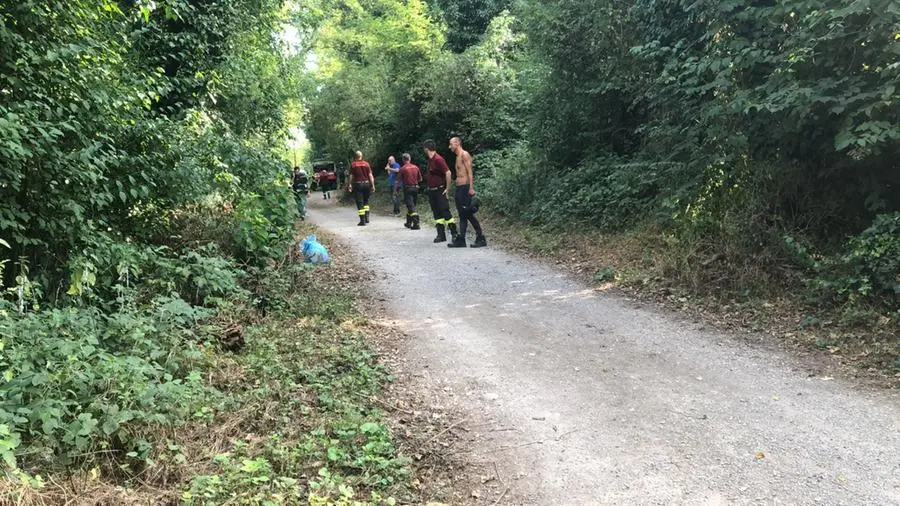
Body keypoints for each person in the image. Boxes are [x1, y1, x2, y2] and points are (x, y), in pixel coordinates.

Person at [447, 137, 486, 248]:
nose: (450, 147)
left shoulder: (465, 154)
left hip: (465, 187)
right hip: (459, 188)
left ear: (457, 143)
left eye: (451, 144)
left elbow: (470, 173)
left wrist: (471, 188)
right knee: (462, 214)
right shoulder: (457, 157)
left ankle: (480, 237)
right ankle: (461, 240)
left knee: (467, 213)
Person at [423, 139, 458, 243]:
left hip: (439, 190)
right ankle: (441, 234)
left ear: (426, 149)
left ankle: (454, 234)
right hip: (432, 191)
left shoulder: (438, 159)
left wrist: (447, 188)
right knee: (437, 213)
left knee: (445, 211)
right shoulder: (430, 160)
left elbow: (448, 173)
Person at [348, 151, 376, 226]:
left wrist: (350, 184)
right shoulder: (366, 164)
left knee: (360, 202)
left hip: (358, 185)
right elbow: (370, 175)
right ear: (362, 156)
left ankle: (362, 221)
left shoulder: (353, 165)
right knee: (366, 201)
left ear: (355, 157)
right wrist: (373, 185)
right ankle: (367, 218)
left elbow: (351, 176)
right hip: (367, 184)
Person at [396, 153, 422, 230]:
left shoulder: (403, 168)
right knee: (411, 205)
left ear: (403, 160)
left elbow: (398, 181)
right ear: (410, 159)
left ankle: (416, 224)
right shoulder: (416, 167)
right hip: (416, 188)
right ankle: (408, 223)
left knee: (411, 206)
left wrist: (395, 190)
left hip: (408, 189)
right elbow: (420, 179)